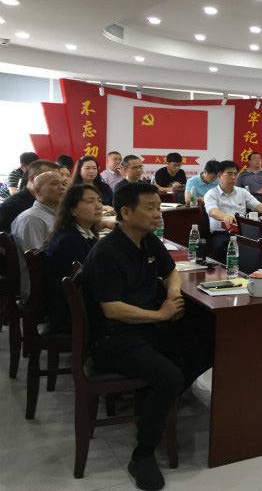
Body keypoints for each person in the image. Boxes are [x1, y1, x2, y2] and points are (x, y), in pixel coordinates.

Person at [81, 183, 213, 491]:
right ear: (126, 213)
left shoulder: (148, 240)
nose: (158, 214)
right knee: (169, 376)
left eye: (158, 207)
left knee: (205, 346)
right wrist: (161, 315)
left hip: (143, 327)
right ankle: (143, 453)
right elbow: (112, 309)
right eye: (150, 208)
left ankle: (157, 404)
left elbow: (172, 271)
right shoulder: (107, 252)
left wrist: (173, 294)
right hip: (112, 338)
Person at [43, 185, 103, 333]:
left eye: (99, 200)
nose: (98, 206)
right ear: (73, 210)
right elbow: (91, 284)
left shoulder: (83, 235)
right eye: (90, 201)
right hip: (71, 316)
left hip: (81, 307)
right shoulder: (69, 242)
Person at [12, 170, 68, 302]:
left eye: (63, 184)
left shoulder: (55, 214)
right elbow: (38, 261)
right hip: (42, 288)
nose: (61, 187)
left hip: (57, 278)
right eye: (55, 184)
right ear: (37, 190)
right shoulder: (32, 219)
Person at [204, 160, 262, 262]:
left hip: (243, 232)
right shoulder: (211, 194)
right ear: (219, 176)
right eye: (229, 174)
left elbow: (258, 206)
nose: (233, 177)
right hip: (222, 233)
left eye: (235, 174)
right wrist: (225, 216)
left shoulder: (242, 192)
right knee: (220, 246)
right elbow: (212, 211)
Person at [0, 159, 59, 232]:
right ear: (32, 178)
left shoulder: (49, 202)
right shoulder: (11, 206)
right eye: (53, 181)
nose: (59, 186)